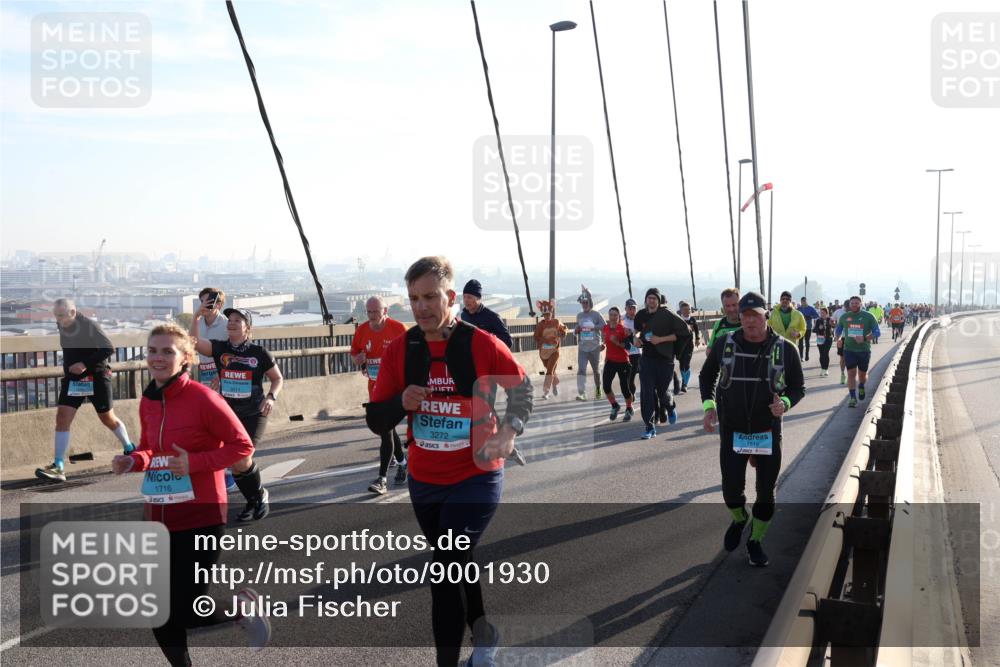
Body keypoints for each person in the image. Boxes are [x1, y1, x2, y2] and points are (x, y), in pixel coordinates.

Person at [365, 256, 533, 667]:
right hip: (425, 479)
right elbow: (377, 421)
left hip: (476, 476)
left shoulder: (480, 343)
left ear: (451, 296)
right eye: (414, 299)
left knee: (444, 568)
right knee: (456, 561)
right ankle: (485, 635)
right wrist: (400, 402)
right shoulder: (402, 349)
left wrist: (509, 431)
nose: (421, 307)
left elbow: (521, 387)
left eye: (430, 297)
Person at [111, 323, 270, 665]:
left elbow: (242, 445)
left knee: (187, 609)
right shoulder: (149, 400)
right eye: (152, 351)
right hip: (158, 515)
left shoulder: (204, 398)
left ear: (186, 358)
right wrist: (133, 460)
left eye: (167, 351)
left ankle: (242, 608)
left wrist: (194, 463)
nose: (157, 358)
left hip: (201, 516)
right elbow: (150, 448)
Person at [700, 292, 805, 567]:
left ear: (765, 316)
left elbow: (798, 388)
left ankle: (755, 541)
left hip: (766, 430)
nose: (749, 321)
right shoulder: (725, 343)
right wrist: (709, 407)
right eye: (745, 316)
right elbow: (706, 376)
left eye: (755, 316)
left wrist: (784, 403)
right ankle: (739, 518)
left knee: (766, 493)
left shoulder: (786, 349)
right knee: (730, 491)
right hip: (733, 429)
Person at [191, 307, 281, 521]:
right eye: (229, 319)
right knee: (235, 463)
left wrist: (271, 397)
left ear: (247, 328)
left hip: (254, 413)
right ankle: (254, 500)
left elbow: (277, 378)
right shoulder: (220, 348)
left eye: (237, 320)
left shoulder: (259, 352)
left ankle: (259, 495)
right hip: (229, 414)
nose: (231, 323)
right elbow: (193, 342)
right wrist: (196, 317)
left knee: (241, 458)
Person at [36, 298, 135, 482]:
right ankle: (58, 466)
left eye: (61, 315)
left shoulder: (89, 326)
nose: (58, 319)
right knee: (62, 418)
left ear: (73, 313)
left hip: (97, 376)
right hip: (74, 379)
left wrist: (84, 364)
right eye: (56, 315)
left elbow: (108, 348)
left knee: (107, 418)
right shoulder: (62, 323)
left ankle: (130, 449)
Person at [351, 296, 409, 494]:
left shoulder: (398, 329)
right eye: (369, 312)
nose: (372, 315)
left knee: (385, 430)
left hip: (396, 389)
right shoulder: (362, 331)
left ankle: (382, 479)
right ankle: (402, 463)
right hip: (375, 388)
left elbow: (414, 352)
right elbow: (354, 354)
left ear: (385, 311)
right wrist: (358, 359)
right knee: (387, 428)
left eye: (376, 311)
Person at [633, 288, 687, 439]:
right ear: (646, 300)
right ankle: (649, 427)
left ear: (658, 301)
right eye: (649, 298)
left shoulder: (667, 315)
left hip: (665, 359)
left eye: (654, 298)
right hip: (647, 359)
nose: (651, 300)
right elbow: (637, 331)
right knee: (647, 393)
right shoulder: (641, 315)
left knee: (662, 392)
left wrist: (660, 339)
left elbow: (681, 334)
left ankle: (670, 406)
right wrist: (636, 338)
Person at [836, 296, 881, 408]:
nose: (854, 305)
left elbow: (877, 332)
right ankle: (852, 397)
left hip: (864, 350)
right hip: (849, 350)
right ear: (849, 305)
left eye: (857, 303)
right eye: (852, 303)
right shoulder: (845, 317)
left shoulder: (869, 316)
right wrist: (838, 339)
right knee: (851, 374)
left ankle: (861, 385)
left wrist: (865, 338)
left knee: (862, 375)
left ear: (861, 304)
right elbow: (838, 330)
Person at [574, 287, 606, 401]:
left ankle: (598, 389)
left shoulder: (596, 314)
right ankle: (582, 393)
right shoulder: (579, 315)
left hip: (595, 347)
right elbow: (577, 328)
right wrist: (577, 330)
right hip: (582, 347)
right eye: (583, 303)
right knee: (581, 370)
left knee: (596, 371)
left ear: (590, 303)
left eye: (586, 302)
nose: (584, 305)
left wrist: (594, 327)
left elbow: (604, 327)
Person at [602, 306, 634, 421]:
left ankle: (629, 408)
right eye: (611, 315)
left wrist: (617, 343)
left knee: (625, 388)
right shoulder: (605, 328)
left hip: (623, 362)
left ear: (619, 316)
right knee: (606, 386)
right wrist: (602, 346)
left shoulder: (623, 330)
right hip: (610, 361)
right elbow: (605, 341)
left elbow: (629, 347)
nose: (613, 317)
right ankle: (615, 406)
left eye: (615, 315)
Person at [460, 279, 513, 348]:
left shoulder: (492, 317)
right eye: (464, 297)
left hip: (486, 353)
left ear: (478, 298)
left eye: (469, 297)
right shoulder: (464, 316)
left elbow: (508, 341)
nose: (466, 300)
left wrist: (486, 338)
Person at [533, 299, 567, 399]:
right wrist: (545, 340)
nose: (547, 316)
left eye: (548, 314)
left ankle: (546, 391)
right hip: (543, 352)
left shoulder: (556, 322)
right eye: (545, 315)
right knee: (549, 369)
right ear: (543, 315)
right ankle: (555, 383)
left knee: (549, 370)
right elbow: (536, 337)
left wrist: (562, 333)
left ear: (551, 313)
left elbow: (564, 329)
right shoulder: (540, 325)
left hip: (554, 351)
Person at [672, 301, 700, 394]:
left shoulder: (692, 319)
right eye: (685, 310)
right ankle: (684, 381)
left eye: (688, 310)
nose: (687, 311)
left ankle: (684, 384)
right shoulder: (678, 319)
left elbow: (697, 330)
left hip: (689, 345)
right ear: (681, 310)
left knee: (686, 364)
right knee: (681, 364)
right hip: (679, 345)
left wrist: (697, 339)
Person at [621, 298, 642, 407]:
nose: (632, 311)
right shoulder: (621, 320)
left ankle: (634, 395)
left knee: (634, 377)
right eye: (630, 308)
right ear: (625, 309)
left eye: (634, 308)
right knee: (628, 378)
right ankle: (631, 395)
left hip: (637, 353)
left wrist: (636, 334)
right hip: (625, 353)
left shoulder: (639, 319)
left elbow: (642, 332)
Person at [812, 307, 836, 377]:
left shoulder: (830, 319)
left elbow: (834, 326)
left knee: (825, 353)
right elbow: (814, 330)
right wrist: (819, 328)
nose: (821, 314)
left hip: (828, 338)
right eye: (821, 313)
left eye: (823, 313)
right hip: (820, 339)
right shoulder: (818, 320)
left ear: (827, 313)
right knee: (821, 354)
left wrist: (832, 324)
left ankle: (826, 369)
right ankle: (822, 369)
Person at [796, 296, 820, 361]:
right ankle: (801, 356)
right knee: (800, 342)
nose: (804, 302)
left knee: (807, 342)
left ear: (807, 301)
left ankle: (807, 355)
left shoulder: (811, 308)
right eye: (802, 301)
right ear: (801, 302)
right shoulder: (798, 309)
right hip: (800, 328)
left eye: (805, 301)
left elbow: (817, 316)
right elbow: (795, 317)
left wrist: (810, 317)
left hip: (808, 327)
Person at [831, 298, 849, 385]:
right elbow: (831, 320)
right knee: (842, 357)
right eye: (847, 307)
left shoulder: (854, 312)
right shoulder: (838, 312)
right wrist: (835, 326)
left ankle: (850, 375)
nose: (848, 309)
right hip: (841, 338)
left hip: (852, 338)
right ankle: (842, 374)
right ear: (845, 306)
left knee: (852, 357)